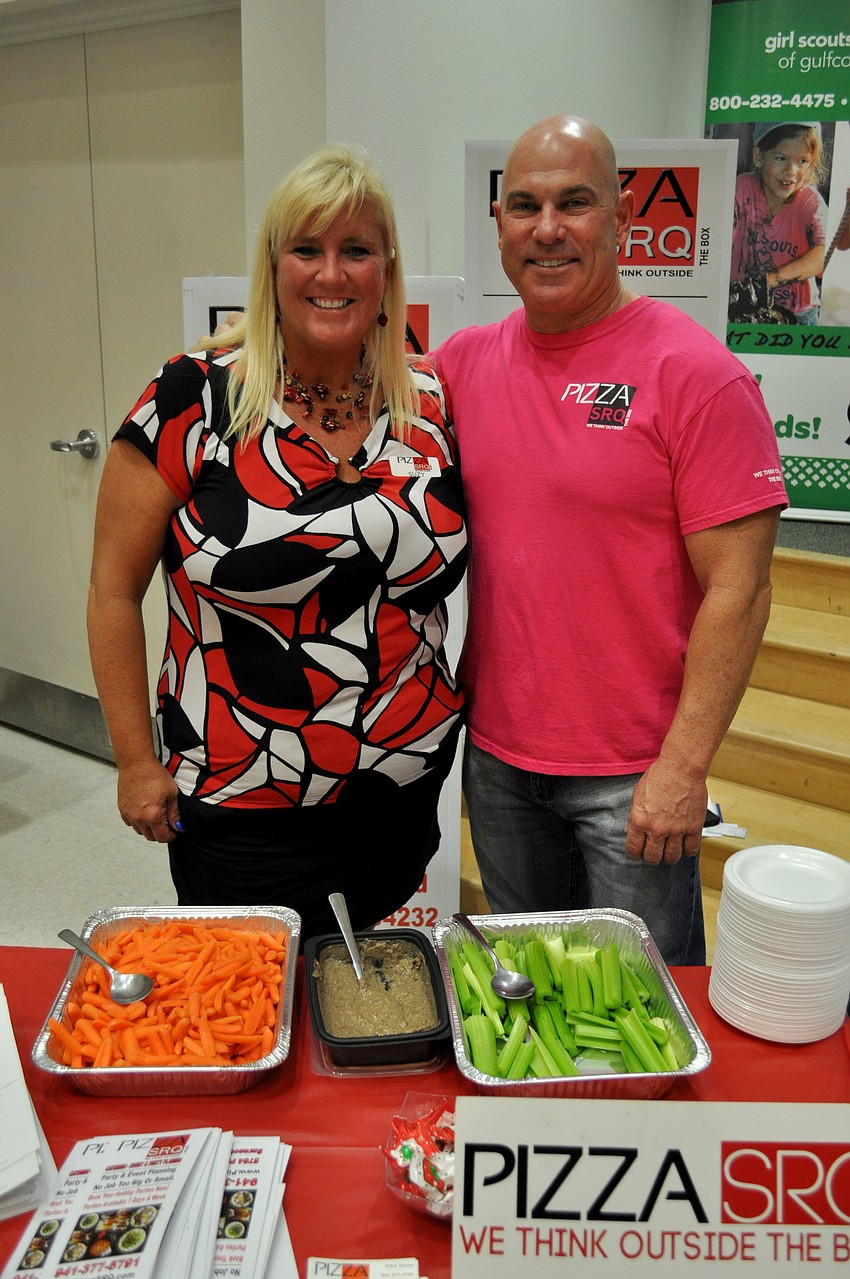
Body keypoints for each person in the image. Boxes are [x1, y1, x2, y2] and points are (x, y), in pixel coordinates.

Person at [87, 145, 467, 940]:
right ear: (273, 265)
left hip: (396, 784)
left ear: (385, 267)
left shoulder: (424, 396)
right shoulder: (192, 396)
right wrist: (133, 759)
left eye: (356, 250)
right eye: (308, 249)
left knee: (359, 1001)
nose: (332, 273)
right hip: (240, 798)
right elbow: (113, 591)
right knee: (249, 1000)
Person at [433, 114, 788, 965]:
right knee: (526, 992)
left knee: (639, 1020)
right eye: (524, 205)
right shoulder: (460, 365)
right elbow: (334, 382)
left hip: (636, 778)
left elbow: (741, 589)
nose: (547, 228)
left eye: (574, 202)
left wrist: (684, 765)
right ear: (499, 225)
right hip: (499, 762)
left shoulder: (698, 376)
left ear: (623, 216)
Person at [729, 122, 828, 324]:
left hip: (799, 316)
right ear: (759, 156)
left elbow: (824, 253)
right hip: (743, 312)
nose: (791, 171)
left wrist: (768, 282)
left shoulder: (809, 201)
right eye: (781, 158)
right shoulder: (741, 189)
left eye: (802, 161)